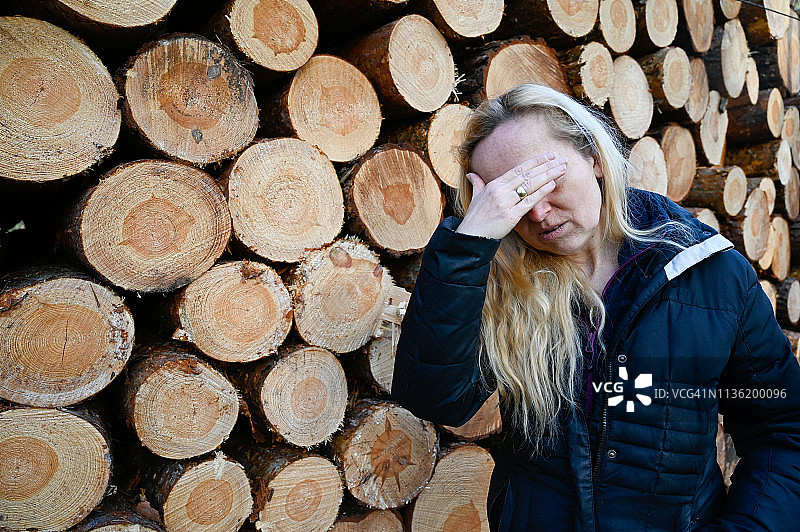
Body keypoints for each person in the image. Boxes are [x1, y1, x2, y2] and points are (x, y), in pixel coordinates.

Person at [390, 83, 800, 531]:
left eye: (546, 180)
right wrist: (468, 247)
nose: (539, 213)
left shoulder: (711, 274)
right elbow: (437, 398)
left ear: (594, 158)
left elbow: (783, 432)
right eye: (513, 199)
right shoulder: (497, 284)